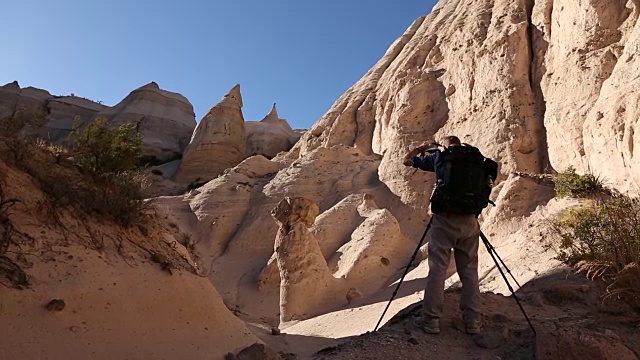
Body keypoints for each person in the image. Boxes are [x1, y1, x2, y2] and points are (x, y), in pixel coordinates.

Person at [402, 135, 493, 335]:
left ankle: (431, 321)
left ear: (444, 145)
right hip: (470, 220)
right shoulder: (475, 157)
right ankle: (473, 321)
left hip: (444, 220)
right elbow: (489, 175)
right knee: (469, 272)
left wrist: (423, 147)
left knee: (437, 271)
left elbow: (406, 160)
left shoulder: (440, 157)